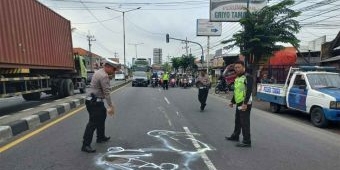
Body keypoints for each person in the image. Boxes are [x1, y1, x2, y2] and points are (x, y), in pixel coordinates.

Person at [81, 59, 118, 153]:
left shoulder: (99, 72)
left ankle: (100, 137)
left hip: (94, 101)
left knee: (102, 117)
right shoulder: (104, 76)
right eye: (114, 69)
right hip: (94, 102)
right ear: (108, 67)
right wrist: (111, 106)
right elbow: (107, 92)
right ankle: (85, 145)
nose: (114, 72)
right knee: (92, 123)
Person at [225, 60, 253, 147]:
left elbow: (249, 91)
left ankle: (246, 141)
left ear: (243, 67)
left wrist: (245, 103)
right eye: (235, 67)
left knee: (244, 122)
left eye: (238, 67)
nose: (237, 69)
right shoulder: (237, 78)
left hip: (245, 103)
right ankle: (235, 136)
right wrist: (232, 101)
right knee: (238, 121)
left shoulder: (247, 77)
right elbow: (237, 91)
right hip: (239, 103)